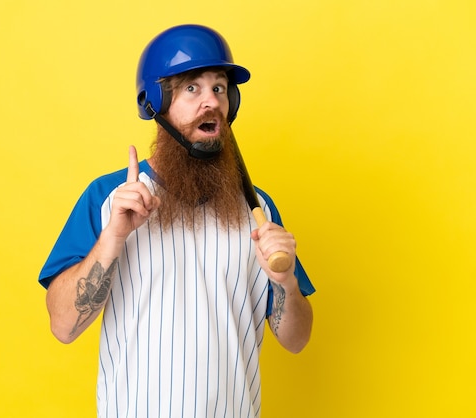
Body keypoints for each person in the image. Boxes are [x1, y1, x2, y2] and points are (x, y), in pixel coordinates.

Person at [39, 24, 315, 417]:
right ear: (155, 101)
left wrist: (285, 282)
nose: (211, 102)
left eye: (219, 88)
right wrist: (113, 237)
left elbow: (297, 339)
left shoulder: (259, 210)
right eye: (192, 88)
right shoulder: (109, 199)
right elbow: (64, 326)